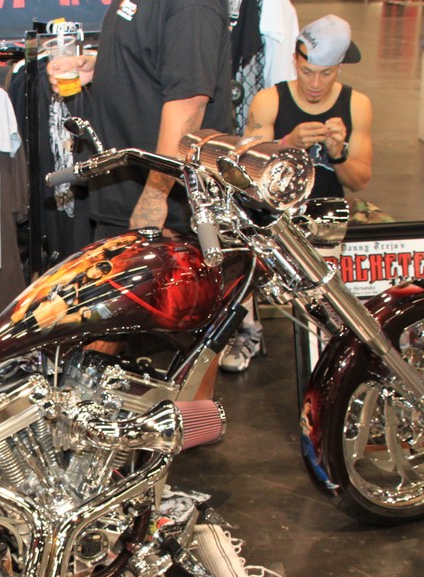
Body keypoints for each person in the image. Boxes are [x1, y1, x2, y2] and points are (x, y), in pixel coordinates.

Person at [220, 13, 374, 372]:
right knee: (232, 239)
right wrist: (287, 144)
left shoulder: (357, 105)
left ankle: (332, 338)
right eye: (307, 72)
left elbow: (359, 180)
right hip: (273, 212)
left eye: (326, 73)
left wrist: (339, 153)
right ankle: (246, 329)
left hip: (324, 211)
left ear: (339, 68)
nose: (316, 83)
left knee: (324, 280)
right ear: (295, 60)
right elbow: (245, 174)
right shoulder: (269, 101)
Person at [47, 0, 234, 239]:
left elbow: (188, 105)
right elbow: (153, 53)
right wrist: (97, 68)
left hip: (169, 213)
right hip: (123, 194)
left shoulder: (192, 5)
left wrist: (155, 197)